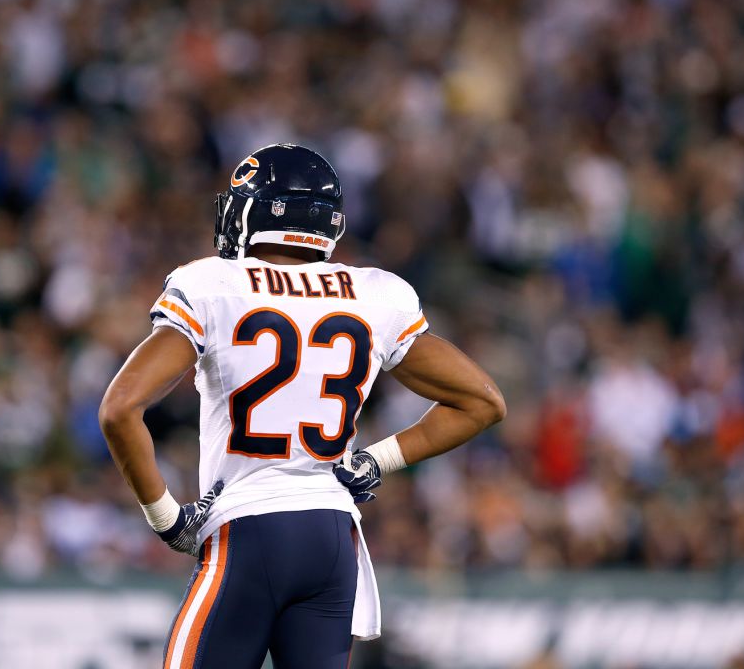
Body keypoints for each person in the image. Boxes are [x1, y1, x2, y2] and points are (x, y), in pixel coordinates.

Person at [99, 143, 506, 669]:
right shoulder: (375, 293)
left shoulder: (211, 285)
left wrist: (166, 519)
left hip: (249, 530)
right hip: (333, 538)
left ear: (260, 210)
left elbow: (119, 408)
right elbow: (483, 402)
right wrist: (377, 460)